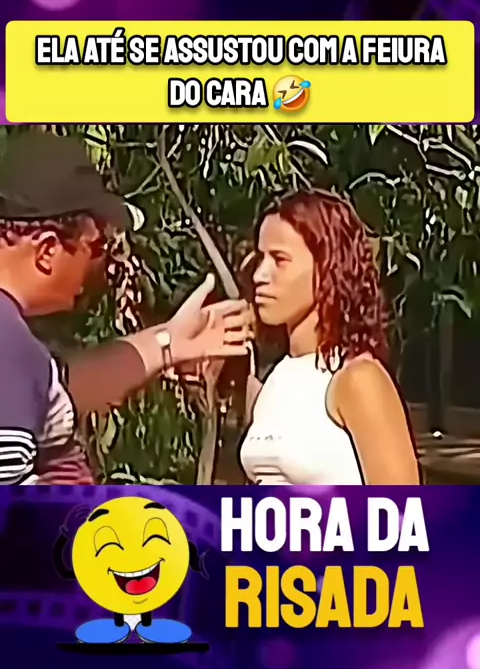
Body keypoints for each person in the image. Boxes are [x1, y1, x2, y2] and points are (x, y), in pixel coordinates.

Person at [0, 131, 251, 484]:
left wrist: (170, 341)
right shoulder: (9, 344)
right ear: (48, 251)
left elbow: (60, 391)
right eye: (97, 246)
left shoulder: (14, 347)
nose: (101, 264)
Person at [239, 189, 420, 485]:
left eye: (279, 259)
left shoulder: (358, 378)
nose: (260, 275)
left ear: (327, 268)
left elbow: (403, 508)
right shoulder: (274, 379)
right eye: (260, 258)